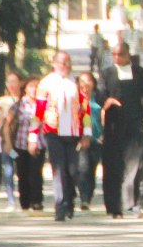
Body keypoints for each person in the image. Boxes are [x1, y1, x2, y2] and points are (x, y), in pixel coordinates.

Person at [98, 40, 143, 219]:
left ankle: (137, 203)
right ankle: (115, 207)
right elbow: (100, 96)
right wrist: (106, 102)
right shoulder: (106, 73)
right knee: (114, 167)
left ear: (128, 54)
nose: (117, 58)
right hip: (113, 127)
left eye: (120, 54)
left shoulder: (141, 74)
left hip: (135, 126)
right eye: (114, 55)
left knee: (139, 166)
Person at [36, 51, 88, 222]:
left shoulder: (76, 82)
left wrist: (87, 133)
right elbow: (38, 111)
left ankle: (69, 201)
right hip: (53, 131)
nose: (64, 66)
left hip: (72, 132)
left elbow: (85, 109)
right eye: (61, 62)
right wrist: (33, 135)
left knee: (72, 170)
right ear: (54, 63)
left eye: (67, 63)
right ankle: (60, 206)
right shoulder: (46, 83)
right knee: (58, 170)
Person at [14, 77, 44, 210]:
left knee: (36, 173)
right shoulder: (19, 104)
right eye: (31, 86)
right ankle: (24, 202)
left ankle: (36, 200)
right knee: (22, 173)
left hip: (39, 143)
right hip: (21, 143)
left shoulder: (43, 104)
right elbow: (9, 122)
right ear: (25, 88)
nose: (34, 89)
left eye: (37, 86)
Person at [0, 72, 23, 210]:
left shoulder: (24, 99)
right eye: (9, 81)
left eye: (14, 81)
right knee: (8, 168)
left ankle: (24, 196)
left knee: (21, 168)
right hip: (8, 140)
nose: (12, 84)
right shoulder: (2, 101)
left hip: (21, 140)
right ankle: (11, 199)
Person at [78, 72, 103, 211]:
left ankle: (89, 195)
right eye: (82, 81)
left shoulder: (98, 99)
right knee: (82, 168)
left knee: (91, 169)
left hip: (96, 139)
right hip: (80, 140)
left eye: (88, 81)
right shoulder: (75, 99)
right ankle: (84, 198)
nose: (85, 84)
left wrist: (103, 134)